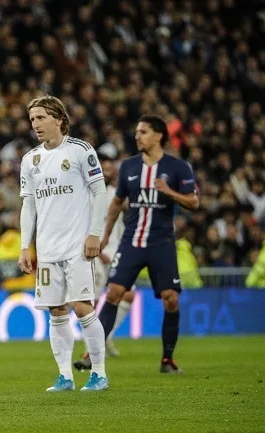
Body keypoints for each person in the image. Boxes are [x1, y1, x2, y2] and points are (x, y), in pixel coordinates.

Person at [17, 95, 109, 392]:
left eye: (41, 117)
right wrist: (24, 247)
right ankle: (65, 377)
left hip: (77, 247)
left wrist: (95, 233)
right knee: (56, 311)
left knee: (82, 307)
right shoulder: (30, 160)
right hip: (46, 249)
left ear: (58, 118)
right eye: (32, 119)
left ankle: (99, 373)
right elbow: (28, 206)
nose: (36, 124)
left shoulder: (81, 151)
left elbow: (100, 192)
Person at [94, 115, 199, 374]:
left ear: (158, 136)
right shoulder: (129, 167)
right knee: (115, 293)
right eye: (137, 132)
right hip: (132, 241)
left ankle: (167, 360)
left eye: (143, 132)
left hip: (161, 243)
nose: (137, 137)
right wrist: (106, 236)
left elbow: (194, 202)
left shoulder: (178, 167)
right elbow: (117, 203)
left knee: (170, 299)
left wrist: (169, 192)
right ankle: (92, 354)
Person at [74, 157, 136, 370]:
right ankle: (90, 348)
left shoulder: (115, 193)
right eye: (104, 168)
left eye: (111, 168)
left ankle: (105, 333)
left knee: (128, 295)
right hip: (95, 254)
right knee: (90, 301)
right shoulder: (88, 194)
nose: (108, 171)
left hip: (117, 252)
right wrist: (98, 251)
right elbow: (82, 225)